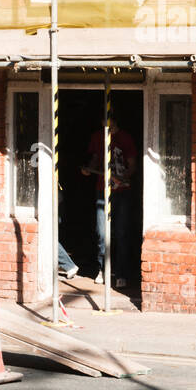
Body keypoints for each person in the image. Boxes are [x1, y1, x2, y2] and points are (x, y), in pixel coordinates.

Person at [82, 119, 138, 286]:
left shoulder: (125, 138)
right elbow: (94, 158)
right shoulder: (97, 137)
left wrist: (123, 179)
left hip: (122, 192)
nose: (105, 122)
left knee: (121, 233)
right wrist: (88, 169)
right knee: (101, 232)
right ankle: (102, 269)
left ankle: (121, 273)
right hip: (102, 189)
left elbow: (132, 165)